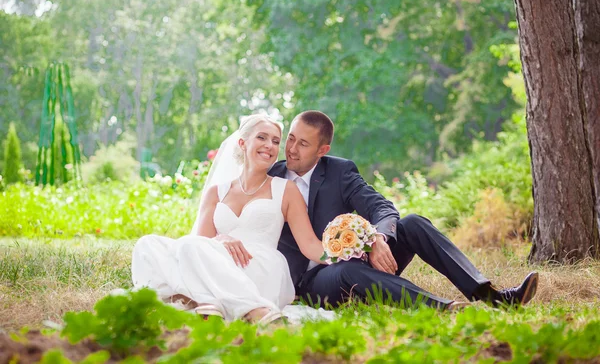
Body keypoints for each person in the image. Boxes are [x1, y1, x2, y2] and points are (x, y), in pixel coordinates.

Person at [269, 110, 539, 309]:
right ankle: (442, 308)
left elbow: (382, 207)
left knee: (413, 223)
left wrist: (377, 238)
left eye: (303, 144)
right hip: (312, 281)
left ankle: (494, 296)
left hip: (362, 265)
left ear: (322, 150)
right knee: (347, 270)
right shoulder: (271, 177)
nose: (291, 149)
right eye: (291, 139)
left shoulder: (339, 171)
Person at [131, 114, 326, 323]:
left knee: (189, 247)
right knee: (147, 244)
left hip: (259, 266)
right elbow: (199, 244)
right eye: (262, 138)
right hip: (217, 261)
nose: (270, 145)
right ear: (242, 143)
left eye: (276, 141)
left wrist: (351, 252)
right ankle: (205, 301)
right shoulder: (216, 192)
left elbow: (309, 245)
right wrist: (220, 240)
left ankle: (251, 309)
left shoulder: (286, 189)